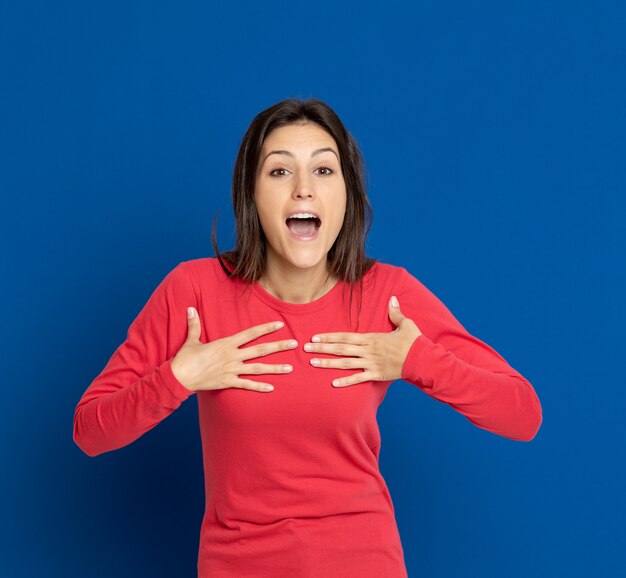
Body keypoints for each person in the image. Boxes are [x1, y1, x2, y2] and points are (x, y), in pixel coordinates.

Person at [73, 97, 543, 577]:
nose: (303, 190)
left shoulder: (388, 295)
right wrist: (179, 377)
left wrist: (417, 359)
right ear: (251, 193)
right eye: (279, 172)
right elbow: (90, 431)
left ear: (347, 192)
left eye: (323, 170)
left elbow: (522, 413)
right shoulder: (194, 290)